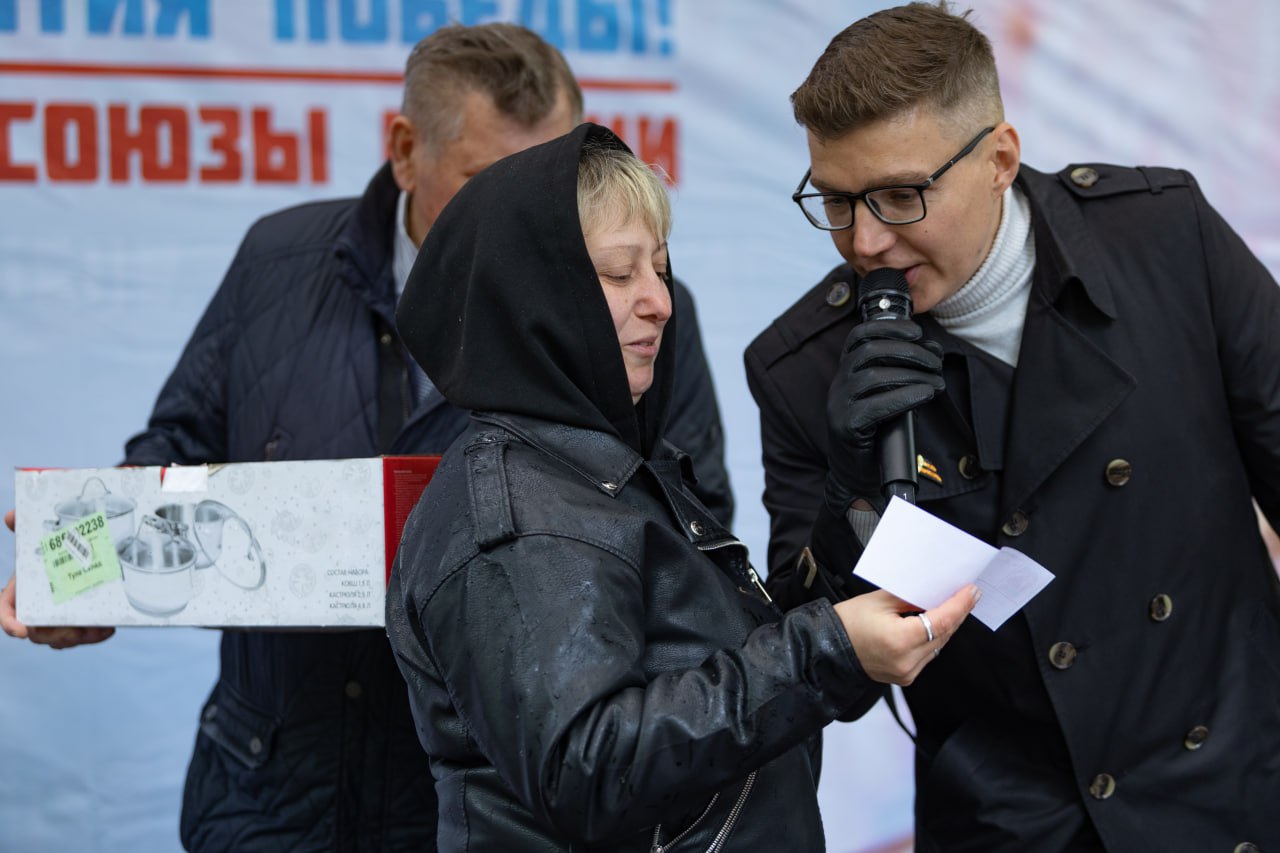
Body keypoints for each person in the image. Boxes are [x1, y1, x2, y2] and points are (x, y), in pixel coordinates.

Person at [0, 23, 733, 851]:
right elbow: (177, 447)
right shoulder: (277, 261)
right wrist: (91, 569)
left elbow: (691, 537)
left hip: (477, 802)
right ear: (406, 150)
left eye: (550, 190)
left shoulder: (644, 313)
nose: (528, 224)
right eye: (488, 183)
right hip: (272, 789)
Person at [745, 2, 1280, 850]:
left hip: (1227, 790)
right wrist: (849, 489)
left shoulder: (1163, 238)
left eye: (900, 196)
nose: (866, 240)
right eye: (837, 201)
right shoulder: (802, 367)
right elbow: (818, 680)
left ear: (999, 159)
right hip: (1010, 823)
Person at [385, 120, 979, 851]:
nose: (660, 301)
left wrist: (851, 493)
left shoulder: (609, 471)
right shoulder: (519, 514)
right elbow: (588, 770)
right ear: (533, 297)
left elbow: (742, 669)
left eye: (660, 267)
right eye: (619, 273)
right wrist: (825, 649)